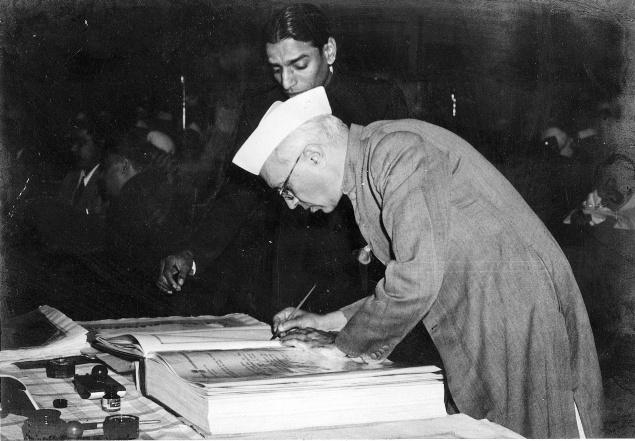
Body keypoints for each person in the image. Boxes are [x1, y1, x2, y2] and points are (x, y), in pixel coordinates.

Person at [231, 87, 603, 438]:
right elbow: (414, 273)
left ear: (313, 156)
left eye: (285, 189)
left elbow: (417, 279)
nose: (290, 203)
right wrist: (328, 321)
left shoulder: (396, 153)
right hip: (493, 310)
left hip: (516, 312)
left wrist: (343, 346)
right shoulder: (373, 161)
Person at [157, 3, 410, 320]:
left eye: (299, 65)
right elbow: (238, 193)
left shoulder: (378, 100)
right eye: (276, 69)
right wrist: (193, 254)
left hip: (362, 265)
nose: (287, 82)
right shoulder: (262, 107)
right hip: (293, 262)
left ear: (328, 51)